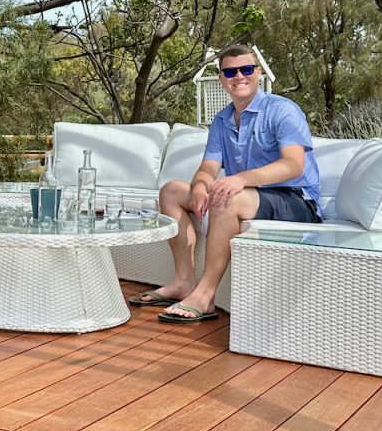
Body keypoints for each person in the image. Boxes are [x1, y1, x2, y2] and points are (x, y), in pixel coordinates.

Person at [129, 44, 322, 322]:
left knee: (226, 197)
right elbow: (209, 167)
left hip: (295, 199)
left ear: (257, 73)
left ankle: (205, 296)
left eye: (246, 69)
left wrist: (239, 180)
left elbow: (294, 164)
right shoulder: (221, 120)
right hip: (250, 195)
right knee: (171, 191)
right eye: (230, 71)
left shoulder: (282, 110)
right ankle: (184, 280)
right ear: (221, 78)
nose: (239, 76)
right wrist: (199, 186)